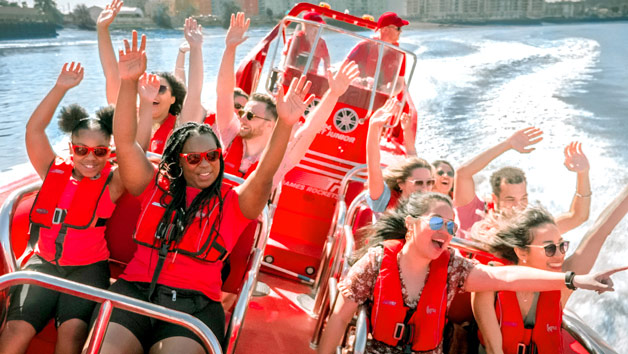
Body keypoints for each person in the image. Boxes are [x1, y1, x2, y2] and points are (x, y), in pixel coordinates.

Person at [84, 30, 313, 354]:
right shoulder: (152, 187)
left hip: (192, 309)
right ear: (179, 161)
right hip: (134, 292)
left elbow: (264, 176)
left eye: (212, 156)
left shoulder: (234, 203)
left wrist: (285, 125)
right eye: (194, 158)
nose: (205, 165)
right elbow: (124, 142)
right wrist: (129, 83)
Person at [317, 192, 625, 354]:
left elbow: (503, 277)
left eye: (451, 227)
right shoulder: (375, 262)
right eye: (437, 223)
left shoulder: (453, 267)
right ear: (411, 224)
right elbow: (341, 318)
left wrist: (573, 280)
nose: (446, 232)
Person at [0, 62, 125, 354]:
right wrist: (61, 88)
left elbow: (136, 144)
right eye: (81, 149)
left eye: (100, 151)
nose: (90, 158)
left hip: (87, 270)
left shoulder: (114, 182)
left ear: (110, 151)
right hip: (43, 264)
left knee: (71, 337)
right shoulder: (51, 171)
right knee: (14, 331)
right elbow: (34, 129)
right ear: (71, 149)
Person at [471, 184, 628, 354]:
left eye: (562, 246)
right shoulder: (489, 282)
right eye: (549, 249)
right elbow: (494, 350)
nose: (559, 255)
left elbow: (600, 232)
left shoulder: (561, 285)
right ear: (522, 251)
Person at [214, 13, 359, 185]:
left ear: (270, 125)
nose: (242, 117)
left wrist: (333, 94)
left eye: (250, 116)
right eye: (244, 112)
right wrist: (230, 49)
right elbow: (224, 93)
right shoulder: (229, 135)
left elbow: (309, 129)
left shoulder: (281, 159)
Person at [454, 128, 591, 236]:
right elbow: (463, 173)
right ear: (495, 199)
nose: (518, 206)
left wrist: (583, 174)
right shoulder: (473, 212)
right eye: (510, 199)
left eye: (523, 199)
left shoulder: (529, 229)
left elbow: (577, 217)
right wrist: (507, 144)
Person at [97, 0, 186, 154]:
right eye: (148, 87)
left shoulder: (182, 125)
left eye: (161, 88)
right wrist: (102, 28)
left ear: (173, 98)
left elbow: (193, 94)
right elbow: (112, 73)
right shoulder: (128, 115)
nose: (153, 92)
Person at [366, 99, 434, 213]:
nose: (425, 188)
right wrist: (373, 127)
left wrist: (406, 131)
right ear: (401, 184)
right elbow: (373, 167)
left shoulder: (427, 210)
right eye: (418, 182)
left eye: (430, 182)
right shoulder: (384, 199)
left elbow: (414, 162)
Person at [345, 12, 409, 93]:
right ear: (385, 29)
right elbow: (344, 67)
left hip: (381, 97)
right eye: (398, 28)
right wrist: (354, 81)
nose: (400, 32)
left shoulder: (400, 54)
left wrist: (389, 91)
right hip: (357, 93)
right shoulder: (364, 46)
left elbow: (399, 83)